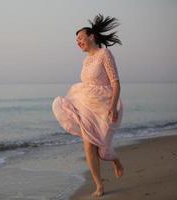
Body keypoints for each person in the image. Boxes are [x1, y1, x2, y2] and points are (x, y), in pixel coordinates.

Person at [52, 14, 124, 197]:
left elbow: (115, 83)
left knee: (102, 150)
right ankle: (99, 185)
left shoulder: (104, 54)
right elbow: (87, 84)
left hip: (104, 106)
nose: (78, 42)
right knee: (88, 146)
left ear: (91, 36)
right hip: (85, 106)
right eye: (76, 40)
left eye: (80, 38)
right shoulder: (85, 60)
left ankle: (115, 160)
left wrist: (113, 106)